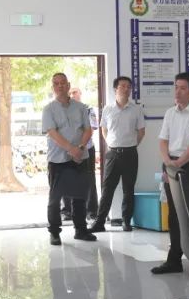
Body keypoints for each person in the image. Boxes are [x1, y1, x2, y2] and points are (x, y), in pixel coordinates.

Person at [151, 72, 189, 282]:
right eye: (176, 87)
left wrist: (177, 164)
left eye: (183, 88)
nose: (177, 91)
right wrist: (168, 162)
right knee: (174, 214)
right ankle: (174, 260)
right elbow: (162, 140)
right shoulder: (170, 113)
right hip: (171, 164)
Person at [43, 72, 98, 245]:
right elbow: (52, 133)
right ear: (53, 87)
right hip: (58, 160)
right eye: (56, 83)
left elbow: (88, 129)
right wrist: (71, 149)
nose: (60, 86)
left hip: (80, 158)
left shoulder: (81, 107)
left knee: (80, 196)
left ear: (68, 85)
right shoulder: (48, 109)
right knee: (55, 198)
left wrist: (80, 148)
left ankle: (80, 230)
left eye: (63, 83)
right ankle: (54, 232)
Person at [91, 77, 145, 233]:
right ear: (116, 89)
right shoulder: (108, 109)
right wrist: (110, 143)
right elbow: (104, 129)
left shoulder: (136, 109)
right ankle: (99, 222)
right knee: (107, 189)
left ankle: (126, 221)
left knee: (128, 189)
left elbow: (141, 132)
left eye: (129, 86)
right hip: (113, 153)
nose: (126, 89)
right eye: (123, 86)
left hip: (130, 153)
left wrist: (131, 144)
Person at [63, 86, 99, 220]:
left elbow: (91, 129)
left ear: (80, 94)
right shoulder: (63, 110)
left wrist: (81, 146)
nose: (72, 95)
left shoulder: (88, 109)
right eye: (70, 93)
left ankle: (91, 211)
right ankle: (67, 211)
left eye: (75, 92)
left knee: (88, 179)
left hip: (86, 148)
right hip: (68, 149)